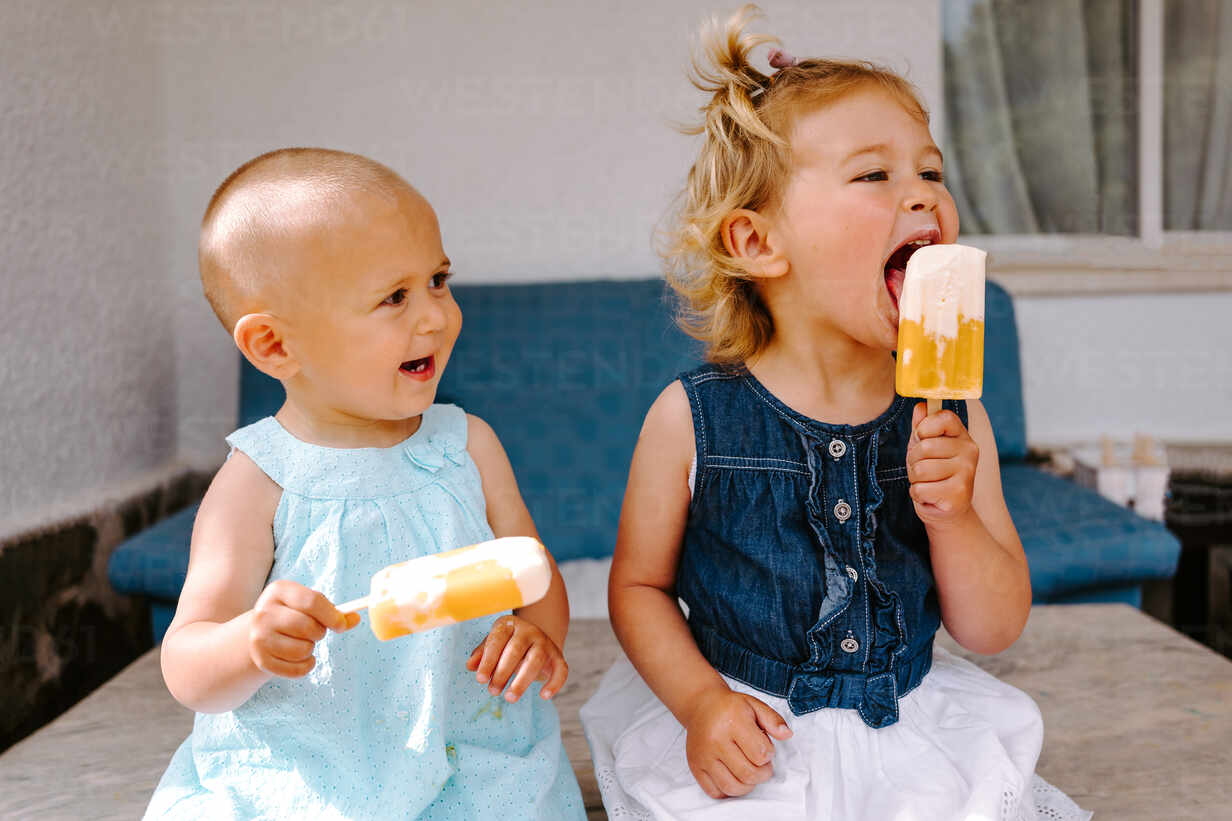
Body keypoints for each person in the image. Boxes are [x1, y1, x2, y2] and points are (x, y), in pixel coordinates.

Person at [580, 7, 1091, 820]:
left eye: (931, 171)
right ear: (755, 242)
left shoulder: (957, 420)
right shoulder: (689, 418)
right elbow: (638, 587)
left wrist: (954, 516)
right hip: (760, 730)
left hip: (911, 736)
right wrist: (700, 703)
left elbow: (994, 627)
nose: (923, 195)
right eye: (874, 175)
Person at [145, 148, 587, 820]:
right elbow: (186, 663)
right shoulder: (259, 480)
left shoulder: (468, 445)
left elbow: (532, 573)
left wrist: (537, 632)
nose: (436, 315)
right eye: (395, 297)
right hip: (310, 775)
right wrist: (249, 641)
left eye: (438, 279)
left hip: (469, 759)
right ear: (274, 346)